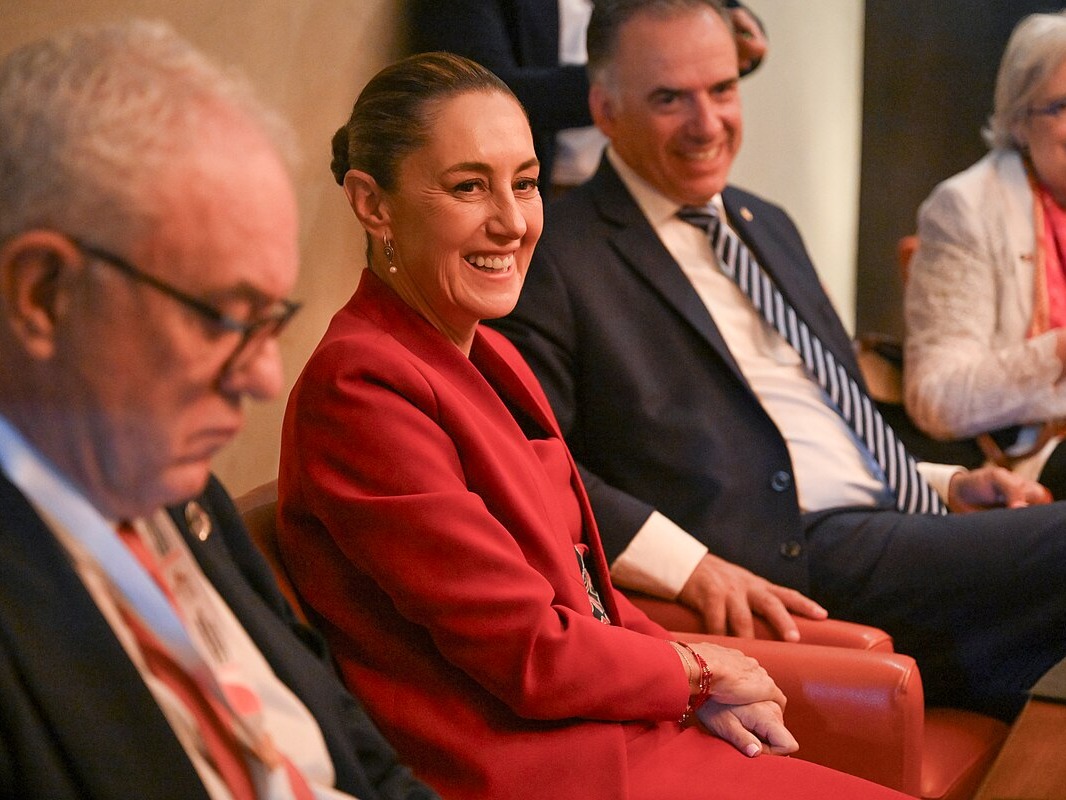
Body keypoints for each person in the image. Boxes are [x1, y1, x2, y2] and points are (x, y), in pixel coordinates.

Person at [277, 49, 911, 800]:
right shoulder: (360, 385)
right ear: (372, 203)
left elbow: (587, 596)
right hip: (533, 769)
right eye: (469, 187)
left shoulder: (490, 352)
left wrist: (689, 681)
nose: (512, 223)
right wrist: (696, 670)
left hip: (610, 729)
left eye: (525, 183)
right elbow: (529, 652)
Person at [489, 0, 1066, 721]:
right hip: (785, 555)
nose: (707, 124)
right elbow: (536, 462)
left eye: (722, 90)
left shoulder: (767, 222)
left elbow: (818, 423)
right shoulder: (555, 257)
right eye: (670, 99)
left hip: (887, 529)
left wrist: (943, 485)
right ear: (604, 110)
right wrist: (690, 568)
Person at [0, 20, 439, 800]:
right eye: (223, 319)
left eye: (271, 319)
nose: (266, 377)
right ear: (43, 293)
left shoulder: (176, 480)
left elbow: (357, 759)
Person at [905, 10, 1066, 500]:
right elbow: (937, 398)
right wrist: (1058, 354)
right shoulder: (966, 208)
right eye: (1063, 106)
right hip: (1027, 462)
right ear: (1019, 120)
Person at [408, 0, 766, 189]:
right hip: (541, 203)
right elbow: (482, 99)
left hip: (650, 190)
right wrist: (633, 79)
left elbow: (726, 27)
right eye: (668, 96)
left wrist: (731, 26)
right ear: (605, 109)